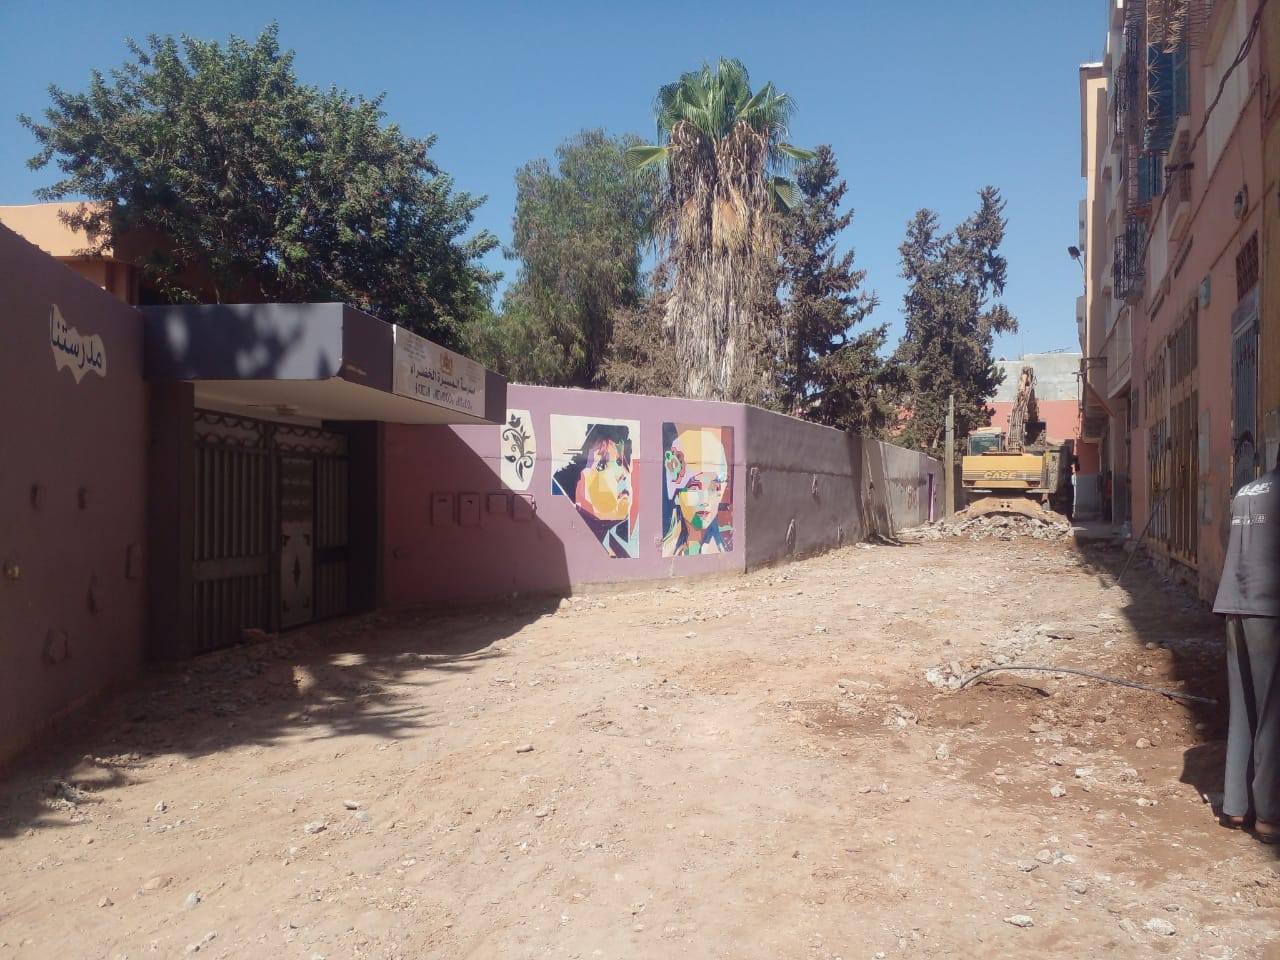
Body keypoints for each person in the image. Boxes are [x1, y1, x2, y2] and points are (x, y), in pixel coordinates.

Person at [1214, 448, 1280, 844]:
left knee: (1244, 710)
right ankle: (1270, 814)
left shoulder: (1247, 491)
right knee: (1274, 713)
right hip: (1270, 610)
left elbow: (1228, 539)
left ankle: (1236, 806)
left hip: (1235, 606)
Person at [552, 422, 638, 558]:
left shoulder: (617, 547)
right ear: (580, 483)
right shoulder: (574, 548)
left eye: (621, 462)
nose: (622, 474)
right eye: (603, 464)